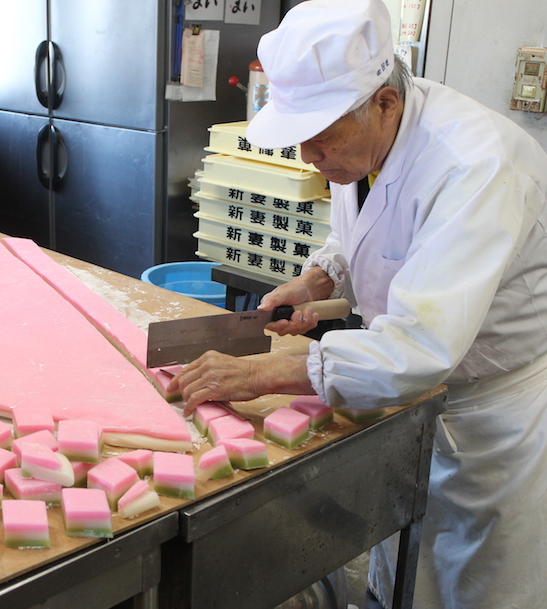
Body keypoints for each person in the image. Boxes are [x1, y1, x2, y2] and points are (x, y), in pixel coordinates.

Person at [168, 0, 547, 608]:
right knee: (401, 576)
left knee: (474, 585)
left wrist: (265, 371)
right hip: (409, 397)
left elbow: (419, 347)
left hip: (490, 418)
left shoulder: (476, 167)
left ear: (384, 104)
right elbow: (366, 228)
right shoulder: (371, 142)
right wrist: (320, 278)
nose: (308, 162)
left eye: (318, 144)